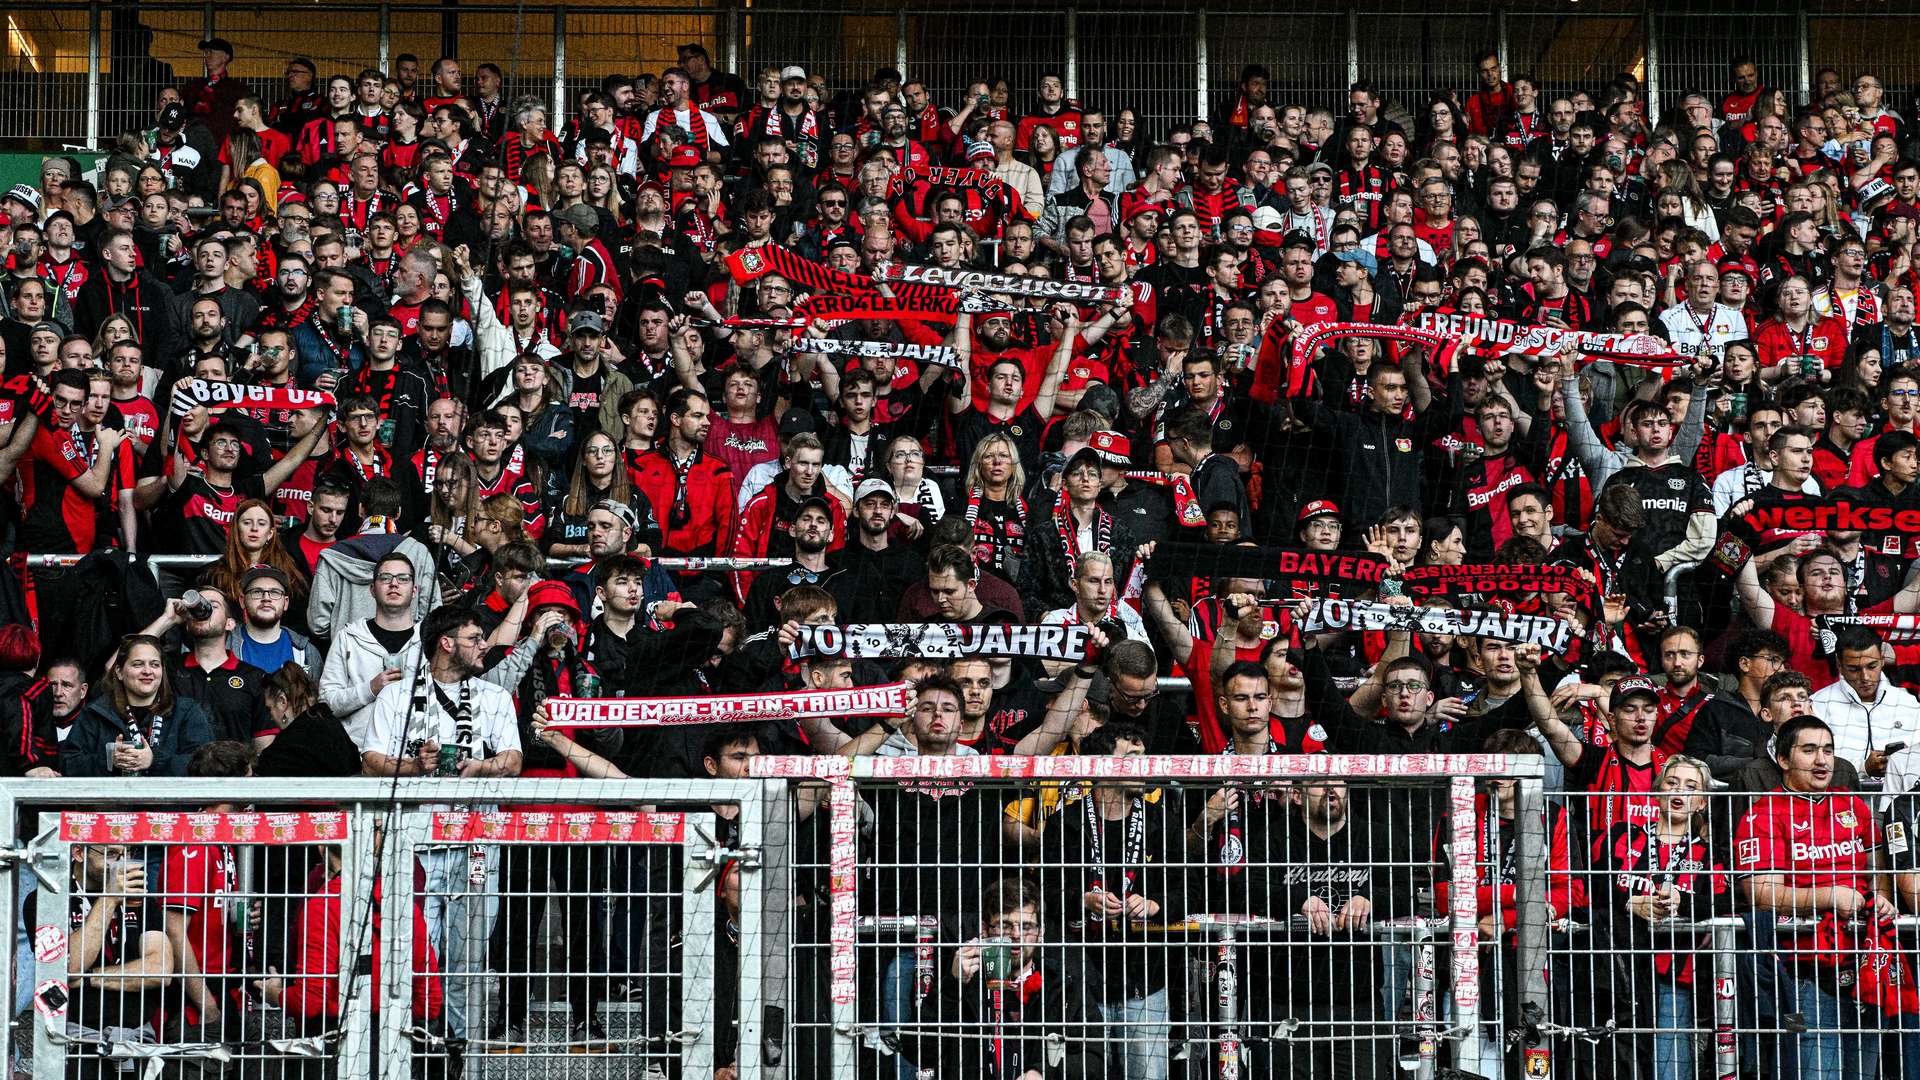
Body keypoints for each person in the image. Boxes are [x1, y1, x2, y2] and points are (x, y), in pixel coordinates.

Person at [360, 604, 522, 1041]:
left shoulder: (495, 697)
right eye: (474, 638)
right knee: (415, 951)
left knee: (468, 958)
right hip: (417, 845)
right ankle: (413, 1045)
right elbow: (372, 761)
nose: (483, 645)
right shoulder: (396, 696)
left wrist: (481, 767)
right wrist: (414, 766)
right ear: (446, 642)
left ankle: (460, 1050)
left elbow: (513, 759)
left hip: (477, 844)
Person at [1737, 715, 1906, 1080]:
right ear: (1783, 759)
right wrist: (1831, 896)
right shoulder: (1763, 813)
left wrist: (1880, 896)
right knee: (1816, 1072)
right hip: (1804, 971)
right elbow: (1760, 893)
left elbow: (1876, 870)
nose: (1822, 760)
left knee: (1863, 1072)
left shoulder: (1853, 805)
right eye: (1809, 750)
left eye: (1827, 750)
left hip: (1865, 964)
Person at [62, 634, 216, 777]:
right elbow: (67, 764)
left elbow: (207, 763)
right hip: (113, 805)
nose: (147, 671)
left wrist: (154, 761)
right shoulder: (96, 713)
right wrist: (109, 760)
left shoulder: (186, 712)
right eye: (138, 664)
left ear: (162, 672)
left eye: (155, 665)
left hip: (169, 806)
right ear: (120, 672)